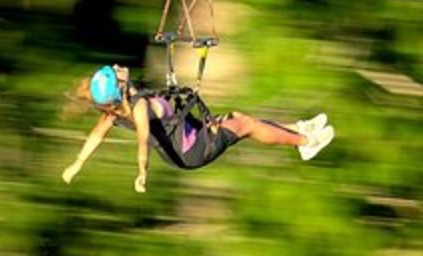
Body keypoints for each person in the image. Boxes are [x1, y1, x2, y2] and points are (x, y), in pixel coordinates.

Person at [62, 65, 335, 193]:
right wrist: (142, 173)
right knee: (246, 125)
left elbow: (95, 136)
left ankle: (299, 128)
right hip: (192, 150)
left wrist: (76, 164)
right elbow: (143, 141)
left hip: (188, 138)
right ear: (119, 87)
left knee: (238, 117)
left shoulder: (114, 112)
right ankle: (305, 142)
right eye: (116, 71)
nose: (120, 67)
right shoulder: (139, 107)